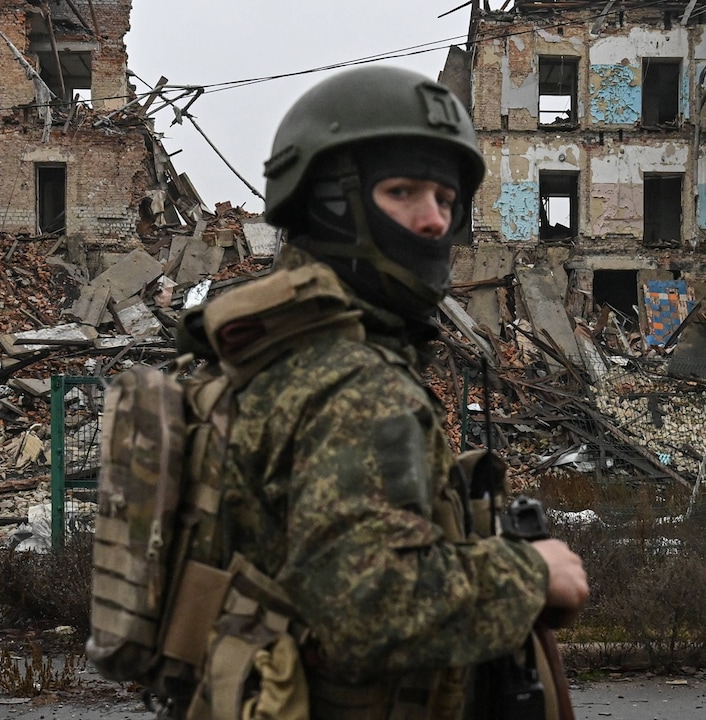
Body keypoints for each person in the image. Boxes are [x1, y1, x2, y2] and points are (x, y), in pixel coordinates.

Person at [175, 65, 589, 719]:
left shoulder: (270, 355)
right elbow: (368, 606)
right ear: (325, 202)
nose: (433, 221)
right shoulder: (350, 380)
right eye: (402, 192)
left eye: (446, 200)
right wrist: (534, 576)